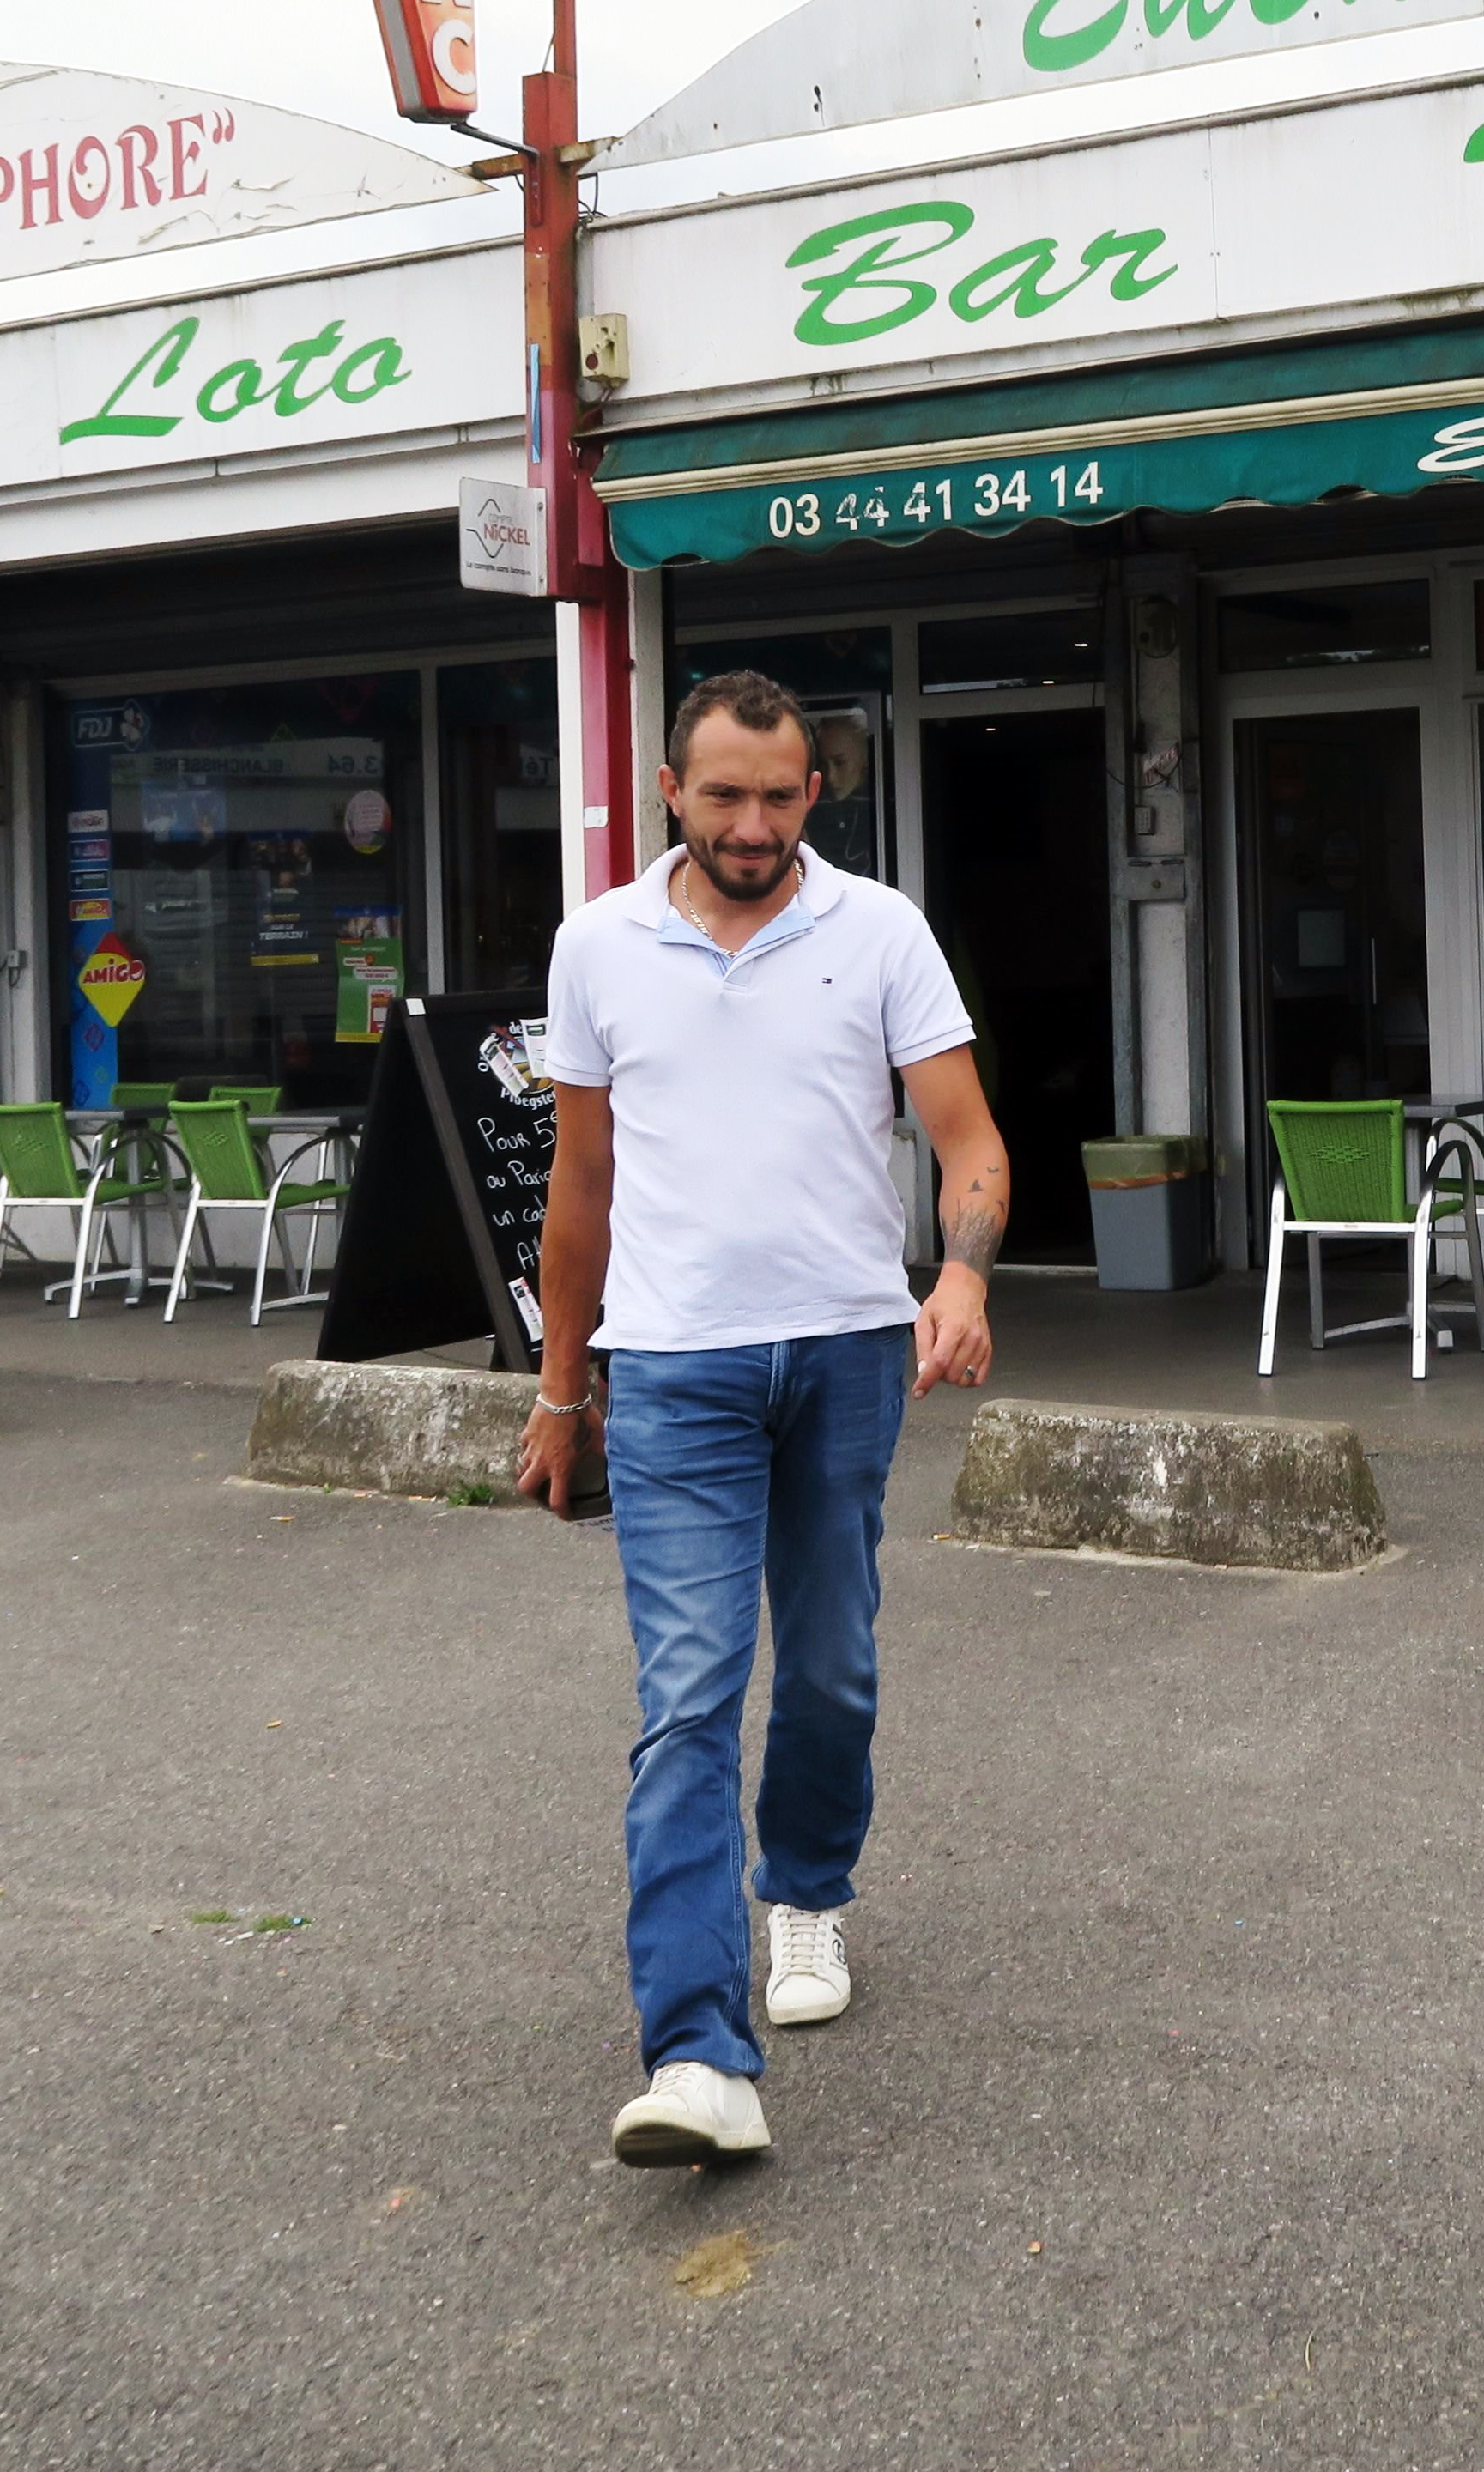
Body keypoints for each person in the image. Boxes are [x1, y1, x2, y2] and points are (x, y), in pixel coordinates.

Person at [518, 670, 1012, 2170]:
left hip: (851, 1350)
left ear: (815, 794)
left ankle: (805, 1892)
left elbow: (968, 1139)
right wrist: (558, 1389)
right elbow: (580, 1187)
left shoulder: (878, 931)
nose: (752, 822)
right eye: (723, 794)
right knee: (686, 1696)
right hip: (670, 1369)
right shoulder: (598, 942)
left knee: (835, 1664)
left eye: (780, 796)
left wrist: (964, 1274)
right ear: (671, 788)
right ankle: (694, 2052)